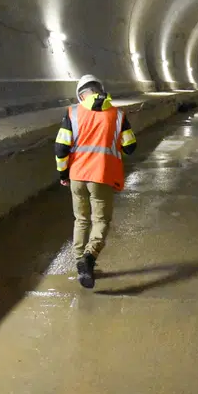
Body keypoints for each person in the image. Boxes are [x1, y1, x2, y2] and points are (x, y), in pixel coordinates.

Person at [54, 74, 137, 289]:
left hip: (77, 176)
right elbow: (130, 146)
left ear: (82, 95)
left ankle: (80, 262)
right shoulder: (117, 115)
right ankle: (89, 258)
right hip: (102, 176)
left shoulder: (72, 113)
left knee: (81, 220)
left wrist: (63, 174)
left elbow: (61, 148)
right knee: (101, 221)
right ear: (100, 90)